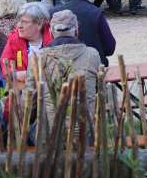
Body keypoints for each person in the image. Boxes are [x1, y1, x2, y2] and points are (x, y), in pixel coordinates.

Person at [24, 10, 103, 139]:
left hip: (50, 132)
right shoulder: (92, 54)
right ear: (77, 31)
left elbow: (29, 100)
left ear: (51, 32)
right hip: (86, 131)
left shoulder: (38, 57)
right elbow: (99, 90)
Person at [52, 0, 117, 64]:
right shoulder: (95, 12)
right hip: (94, 66)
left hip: (59, 66)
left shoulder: (53, 13)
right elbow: (109, 48)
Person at [1, 2, 52, 76]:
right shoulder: (14, 39)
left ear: (39, 24)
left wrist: (29, 75)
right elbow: (6, 66)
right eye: (19, 21)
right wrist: (15, 75)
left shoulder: (52, 39)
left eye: (24, 22)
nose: (19, 26)